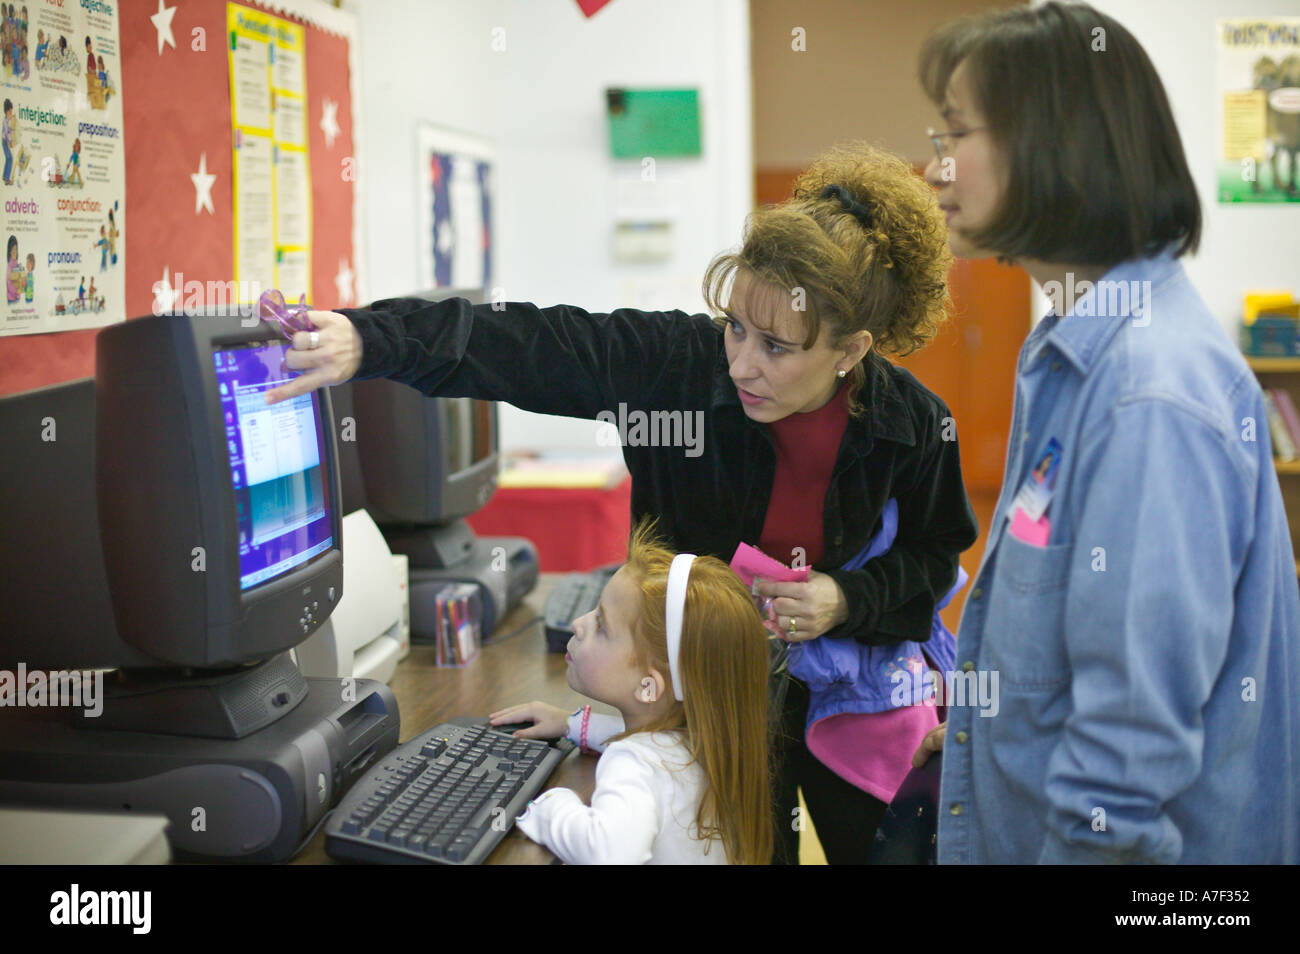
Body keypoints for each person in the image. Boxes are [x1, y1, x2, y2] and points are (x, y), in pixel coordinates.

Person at [263, 141, 979, 864]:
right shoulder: (673, 366)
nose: (741, 364)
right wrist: (366, 339)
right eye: (734, 327)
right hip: (708, 693)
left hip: (848, 698)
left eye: (776, 346)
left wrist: (844, 598)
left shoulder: (911, 426)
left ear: (850, 352)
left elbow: (932, 557)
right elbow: (526, 343)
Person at [910, 1, 1300, 864]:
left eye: (956, 134)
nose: (935, 170)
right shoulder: (1075, 349)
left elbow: (1125, 768)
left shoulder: (1149, 395)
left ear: (1049, 147)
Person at [489, 519, 770, 863]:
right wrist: (571, 724)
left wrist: (551, 806)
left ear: (649, 687)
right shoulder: (712, 738)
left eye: (602, 626)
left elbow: (610, 853)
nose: (578, 623)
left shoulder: (632, 762)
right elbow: (662, 741)